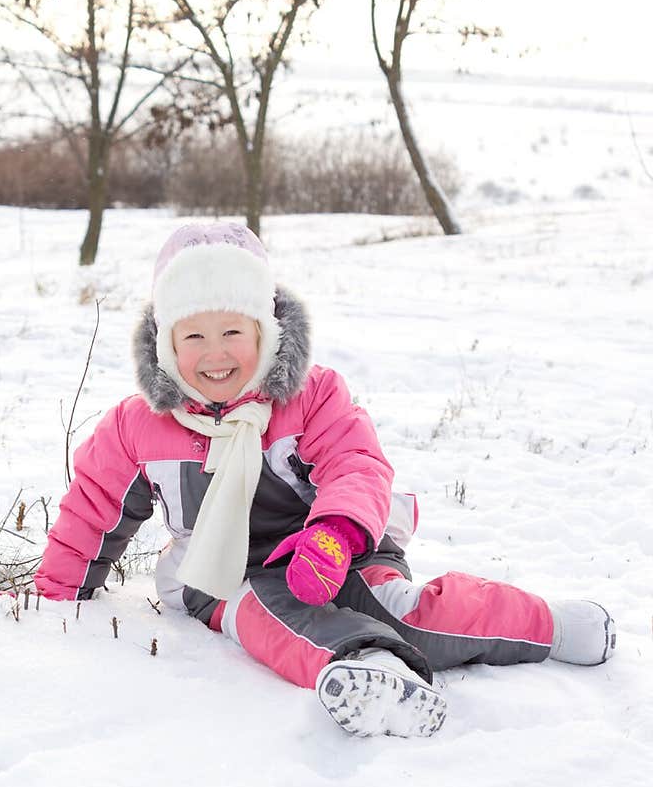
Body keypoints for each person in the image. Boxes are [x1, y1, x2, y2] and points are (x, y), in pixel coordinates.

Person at [34, 221, 615, 737]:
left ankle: (549, 625)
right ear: (165, 344)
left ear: (265, 331)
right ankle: (371, 670)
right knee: (266, 617)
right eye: (194, 337)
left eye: (232, 332)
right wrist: (55, 596)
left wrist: (335, 534)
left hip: (338, 547)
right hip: (223, 570)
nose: (215, 354)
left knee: (403, 608)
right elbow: (93, 510)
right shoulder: (137, 427)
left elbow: (355, 465)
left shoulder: (311, 396)